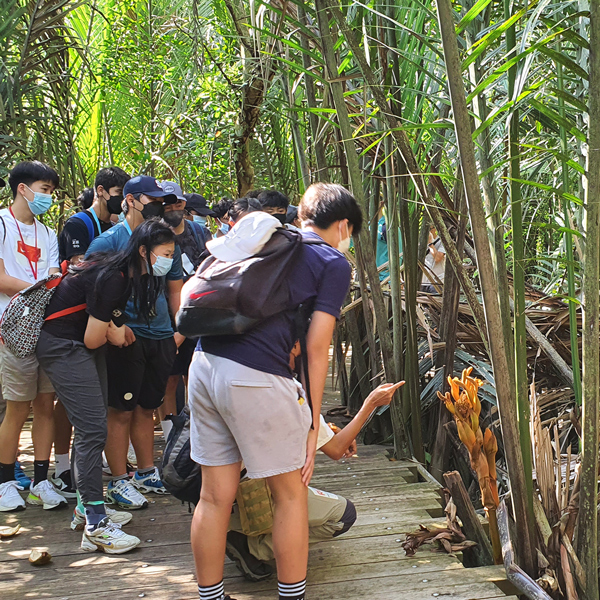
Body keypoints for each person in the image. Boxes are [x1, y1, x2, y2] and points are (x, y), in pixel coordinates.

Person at [188, 182, 363, 600]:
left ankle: (209, 596)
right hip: (255, 376)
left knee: (212, 497)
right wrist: (310, 424)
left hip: (204, 364)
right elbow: (319, 345)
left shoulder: (264, 241)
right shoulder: (331, 261)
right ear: (343, 226)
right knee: (290, 496)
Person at [36, 221, 174, 553]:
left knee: (95, 423)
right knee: (92, 428)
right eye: (166, 254)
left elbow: (103, 316)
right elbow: (93, 336)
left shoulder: (126, 271)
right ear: (144, 251)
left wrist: (116, 326)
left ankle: (86, 509)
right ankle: (96, 526)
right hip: (64, 345)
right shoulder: (115, 276)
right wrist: (114, 332)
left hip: (80, 346)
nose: (170, 260)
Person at [226, 380, 404, 581]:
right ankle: (251, 546)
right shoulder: (289, 391)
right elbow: (336, 450)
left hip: (221, 493)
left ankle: (232, 529)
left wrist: (326, 430)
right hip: (255, 497)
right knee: (343, 515)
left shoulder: (237, 379)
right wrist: (370, 403)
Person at [86, 176, 183, 510]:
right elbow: (90, 289)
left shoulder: (168, 242)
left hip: (162, 336)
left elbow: (175, 289)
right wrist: (116, 324)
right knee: (121, 410)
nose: (159, 205)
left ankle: (145, 471)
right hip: (127, 339)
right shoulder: (108, 242)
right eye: (151, 199)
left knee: (147, 407)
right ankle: (118, 480)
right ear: (130, 200)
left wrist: (178, 331)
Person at [0, 161, 66, 512]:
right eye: (44, 189)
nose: (48, 197)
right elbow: (1, 277)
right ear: (22, 189)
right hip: (12, 331)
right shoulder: (1, 224)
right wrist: (41, 288)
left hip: (46, 329)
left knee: (45, 404)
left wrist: (49, 285)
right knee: (17, 407)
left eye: (51, 191)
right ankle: (5, 480)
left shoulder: (47, 232)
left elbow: (55, 272)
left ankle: (42, 480)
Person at [159, 182, 211, 439]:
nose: (172, 207)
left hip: (200, 318)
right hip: (166, 321)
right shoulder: (155, 235)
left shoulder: (200, 233)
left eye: (177, 202)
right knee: (169, 379)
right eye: (166, 203)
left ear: (184, 204)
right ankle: (170, 437)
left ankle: (197, 432)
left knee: (197, 374)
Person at [59, 167, 131, 265]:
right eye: (118, 192)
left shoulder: (114, 228)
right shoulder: (77, 224)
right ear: (100, 190)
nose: (123, 199)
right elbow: (78, 264)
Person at [421, 225, 445, 293]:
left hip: (437, 281)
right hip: (423, 281)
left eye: (430, 229)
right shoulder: (420, 242)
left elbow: (438, 258)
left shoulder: (441, 241)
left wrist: (430, 243)